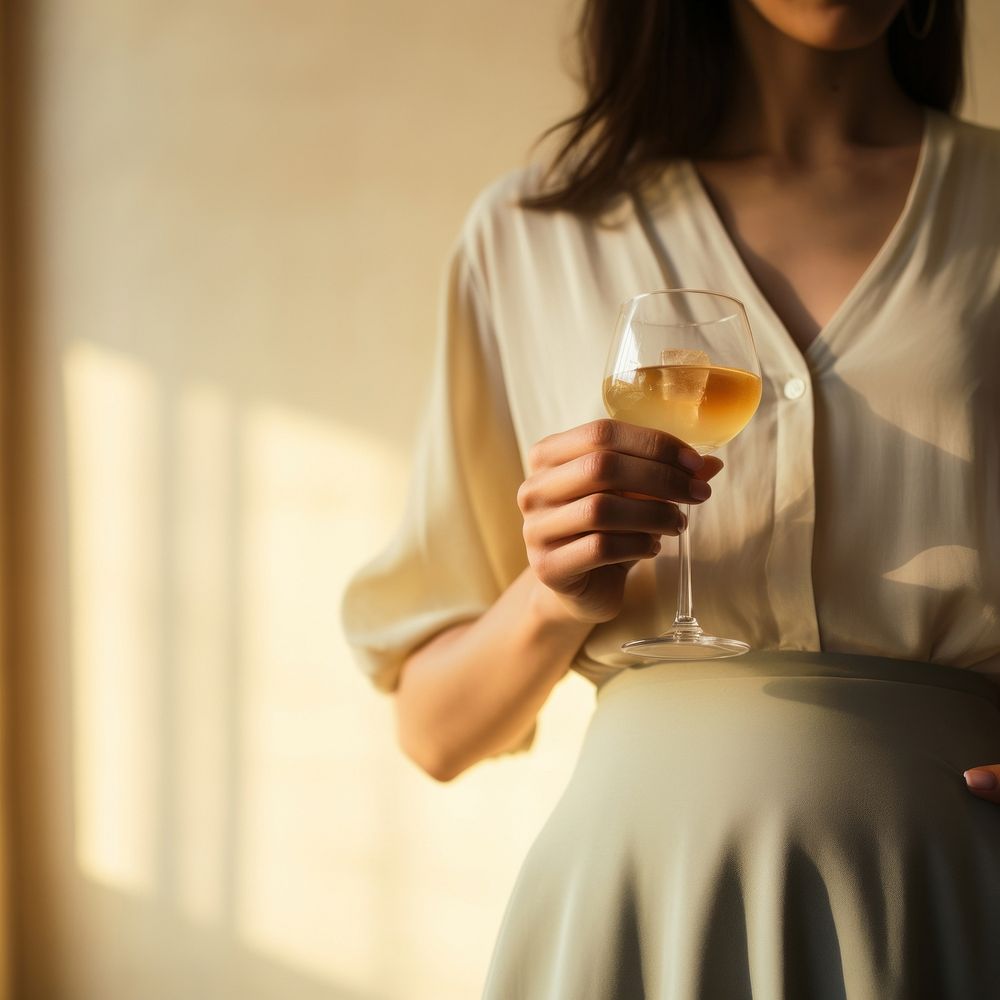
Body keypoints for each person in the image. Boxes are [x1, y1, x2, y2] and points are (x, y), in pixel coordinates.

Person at [342, 0, 1000, 994]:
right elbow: (434, 731)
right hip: (638, 907)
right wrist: (553, 594)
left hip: (950, 890)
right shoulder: (529, 236)